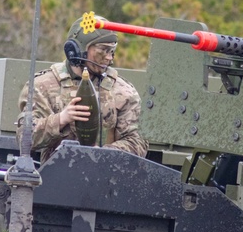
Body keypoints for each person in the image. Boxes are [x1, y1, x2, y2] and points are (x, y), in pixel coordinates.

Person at [17, 16, 148, 163]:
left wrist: (105, 154)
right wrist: (61, 119)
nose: (109, 58)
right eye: (103, 50)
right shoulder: (42, 87)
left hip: (107, 176)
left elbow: (137, 142)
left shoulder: (124, 92)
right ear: (77, 49)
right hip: (56, 177)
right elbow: (25, 139)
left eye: (112, 50)